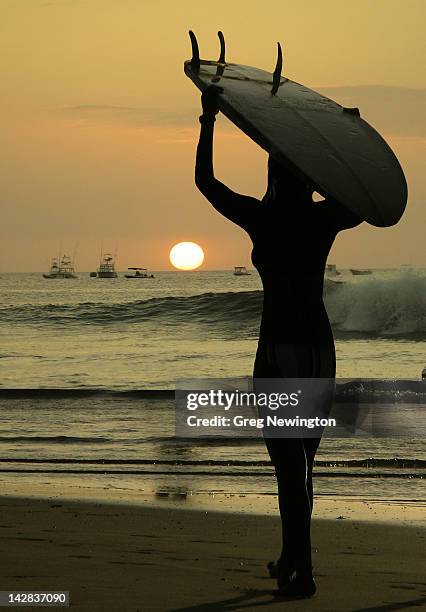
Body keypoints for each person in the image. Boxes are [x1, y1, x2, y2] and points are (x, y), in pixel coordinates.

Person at [194, 85, 361, 598]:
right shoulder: (323, 216)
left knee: (287, 466)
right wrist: (346, 139)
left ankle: (303, 572)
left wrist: (209, 121)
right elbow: (362, 199)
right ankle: (292, 558)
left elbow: (205, 182)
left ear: (270, 175)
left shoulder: (261, 217)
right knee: (304, 462)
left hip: (280, 348)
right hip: (319, 348)